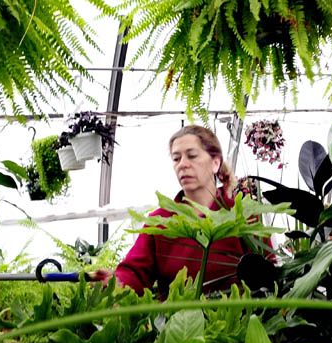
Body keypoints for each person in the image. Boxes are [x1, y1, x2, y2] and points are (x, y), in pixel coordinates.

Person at [96, 125, 265, 297]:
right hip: (178, 322)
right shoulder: (160, 221)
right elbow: (135, 273)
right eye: (176, 159)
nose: (183, 165)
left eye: (192, 156)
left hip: (237, 319)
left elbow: (269, 273)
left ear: (215, 163)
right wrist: (116, 282)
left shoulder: (241, 215)